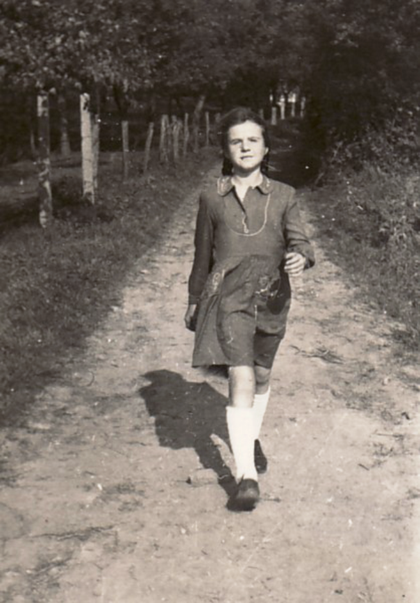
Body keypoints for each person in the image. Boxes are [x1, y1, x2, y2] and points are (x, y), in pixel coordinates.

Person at [184, 107, 315, 512]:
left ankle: (249, 435)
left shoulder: (284, 196)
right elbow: (201, 255)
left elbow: (301, 242)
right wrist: (193, 300)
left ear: (265, 147)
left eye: (252, 140)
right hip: (227, 299)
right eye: (236, 141)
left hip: (272, 297)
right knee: (239, 375)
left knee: (260, 373)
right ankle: (246, 477)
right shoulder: (211, 197)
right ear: (226, 149)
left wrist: (300, 257)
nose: (245, 147)